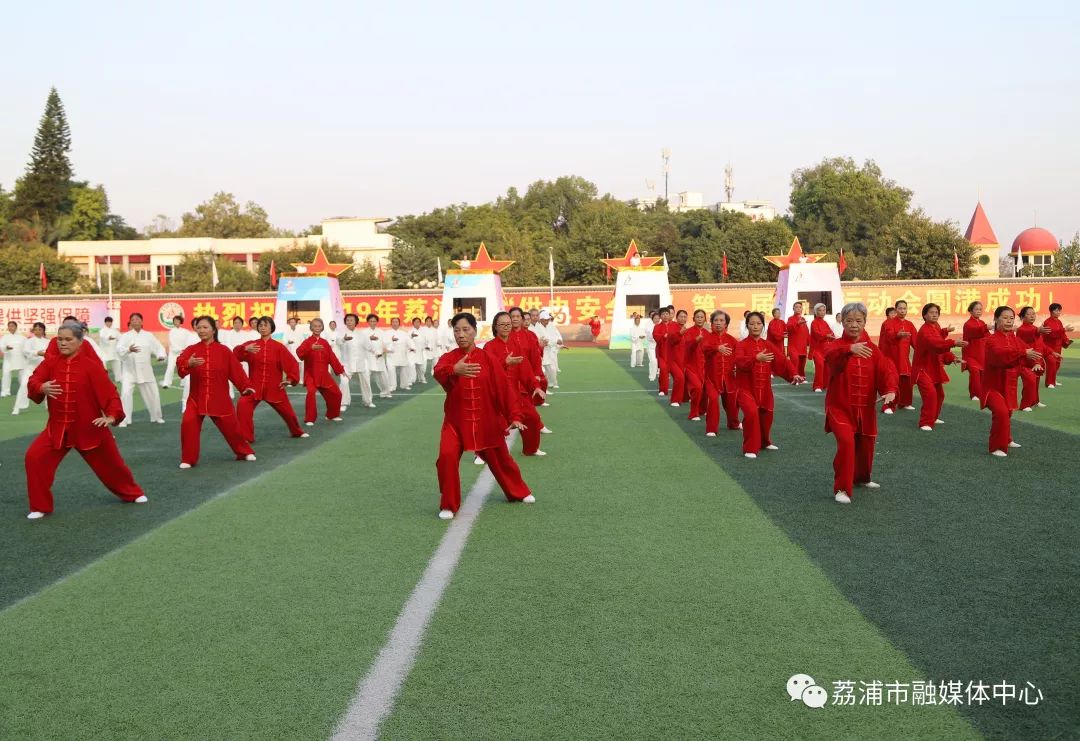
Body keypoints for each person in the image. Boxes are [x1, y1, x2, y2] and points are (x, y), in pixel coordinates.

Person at [23, 320, 147, 519]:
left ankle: (133, 493)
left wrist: (112, 415)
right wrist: (40, 387)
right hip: (57, 428)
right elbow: (34, 380)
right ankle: (40, 506)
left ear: (80, 342)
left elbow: (109, 393)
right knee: (34, 457)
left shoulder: (91, 367)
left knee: (113, 466)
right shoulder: (50, 363)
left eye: (68, 340)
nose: (63, 343)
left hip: (90, 427)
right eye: (60, 340)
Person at [433, 312, 535, 520]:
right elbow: (439, 371)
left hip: (486, 421)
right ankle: (449, 504)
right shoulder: (449, 358)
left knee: (501, 460)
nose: (461, 335)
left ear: (474, 331)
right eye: (456, 330)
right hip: (455, 423)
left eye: (465, 329)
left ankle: (519, 492)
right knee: (446, 457)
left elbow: (503, 389)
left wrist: (514, 415)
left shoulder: (488, 359)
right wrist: (455, 370)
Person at [822, 303, 898, 504]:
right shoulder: (836, 346)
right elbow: (830, 360)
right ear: (842, 322)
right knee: (847, 443)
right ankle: (842, 489)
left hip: (865, 408)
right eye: (849, 321)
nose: (854, 325)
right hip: (839, 407)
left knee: (866, 442)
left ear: (865, 322)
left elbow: (886, 372)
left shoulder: (873, 350)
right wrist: (849, 350)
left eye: (858, 321)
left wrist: (890, 390)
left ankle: (862, 478)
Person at [177, 316, 258, 468]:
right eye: (199, 327)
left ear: (213, 330)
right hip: (196, 398)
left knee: (231, 427)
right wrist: (189, 363)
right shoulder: (192, 350)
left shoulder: (223, 351)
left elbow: (236, 371)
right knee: (188, 424)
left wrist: (245, 386)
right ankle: (188, 459)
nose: (201, 330)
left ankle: (244, 451)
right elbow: (180, 368)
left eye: (205, 327)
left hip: (219, 398)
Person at [735, 312, 803, 458]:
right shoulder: (741, 345)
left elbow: (782, 361)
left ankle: (765, 442)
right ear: (747, 326)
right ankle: (750, 448)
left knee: (767, 415)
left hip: (764, 389)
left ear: (763, 326)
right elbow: (740, 362)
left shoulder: (768, 345)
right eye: (752, 323)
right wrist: (755, 358)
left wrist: (793, 374)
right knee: (752, 414)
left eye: (758, 323)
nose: (755, 326)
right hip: (746, 389)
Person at [982, 306, 1043, 457]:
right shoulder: (991, 340)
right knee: (1002, 412)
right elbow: (999, 356)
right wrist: (1023, 353)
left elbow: (1030, 353)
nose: (1009, 321)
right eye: (1005, 318)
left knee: (1007, 413)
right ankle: (997, 447)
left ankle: (1006, 439)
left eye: (1011, 318)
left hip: (1009, 384)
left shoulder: (1016, 340)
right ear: (996, 319)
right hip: (992, 386)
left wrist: (1036, 362)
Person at [235, 316, 307, 442]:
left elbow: (292, 364)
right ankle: (246, 437)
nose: (263, 328)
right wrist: (244, 349)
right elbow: (234, 356)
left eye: (266, 325)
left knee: (288, 413)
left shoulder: (278, 347)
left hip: (275, 387)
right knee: (242, 405)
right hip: (254, 387)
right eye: (260, 325)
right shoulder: (252, 345)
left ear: (271, 328)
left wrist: (290, 380)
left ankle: (297, 431)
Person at [485, 311, 546, 456]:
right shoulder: (489, 347)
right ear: (495, 327)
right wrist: (504, 363)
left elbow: (525, 369)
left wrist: (535, 386)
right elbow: (487, 372)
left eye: (508, 324)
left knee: (533, 418)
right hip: (497, 394)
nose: (506, 327)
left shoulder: (515, 345)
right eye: (502, 324)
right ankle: (480, 453)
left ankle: (531, 449)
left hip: (517, 393)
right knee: (492, 425)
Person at [912, 303, 966, 431]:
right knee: (930, 394)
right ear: (924, 315)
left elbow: (940, 345)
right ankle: (925, 422)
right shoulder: (925, 330)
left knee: (939, 394)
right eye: (931, 312)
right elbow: (936, 345)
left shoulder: (935, 327)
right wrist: (953, 342)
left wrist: (952, 357)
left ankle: (933, 417)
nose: (935, 314)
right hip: (922, 369)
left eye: (936, 312)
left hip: (933, 368)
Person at [116, 313, 166, 426]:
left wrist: (160, 356)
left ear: (142, 321)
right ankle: (124, 419)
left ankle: (156, 416)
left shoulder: (148, 335)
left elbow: (158, 348)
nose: (135, 321)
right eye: (132, 319)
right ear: (130, 322)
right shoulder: (126, 336)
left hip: (146, 371)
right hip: (130, 371)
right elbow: (119, 349)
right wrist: (128, 350)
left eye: (137, 319)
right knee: (125, 394)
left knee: (153, 394)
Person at [507, 307, 551, 431]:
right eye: (512, 317)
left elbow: (536, 357)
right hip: (509, 379)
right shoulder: (505, 335)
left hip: (526, 377)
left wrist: (536, 374)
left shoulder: (530, 335)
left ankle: (537, 427)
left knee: (528, 407)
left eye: (517, 317)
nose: (515, 319)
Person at [296, 318, 345, 425]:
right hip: (311, 374)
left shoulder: (325, 343)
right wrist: (310, 348)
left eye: (319, 326)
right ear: (311, 328)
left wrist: (340, 369)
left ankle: (332, 415)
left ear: (322, 328)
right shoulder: (307, 342)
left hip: (324, 374)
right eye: (315, 326)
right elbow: (299, 353)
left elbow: (332, 357)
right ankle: (310, 419)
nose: (317, 328)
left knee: (337, 394)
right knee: (311, 394)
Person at [702, 310, 740, 437]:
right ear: (712, 323)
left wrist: (737, 367)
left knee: (731, 402)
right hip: (712, 377)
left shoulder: (732, 340)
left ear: (726, 324)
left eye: (721, 320)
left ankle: (733, 423)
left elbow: (739, 356)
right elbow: (704, 348)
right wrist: (717, 348)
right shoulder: (707, 337)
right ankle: (711, 429)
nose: (718, 323)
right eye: (715, 320)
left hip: (729, 377)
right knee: (713, 400)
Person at [880, 300, 917, 413]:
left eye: (904, 308)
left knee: (906, 380)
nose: (902, 310)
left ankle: (905, 403)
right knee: (891, 381)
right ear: (895, 309)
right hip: (891, 357)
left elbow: (916, 342)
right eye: (900, 308)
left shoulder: (910, 324)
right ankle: (888, 406)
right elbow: (889, 335)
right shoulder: (888, 323)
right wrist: (897, 335)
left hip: (904, 359)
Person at [338, 313, 375, 410]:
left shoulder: (362, 334)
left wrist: (376, 351)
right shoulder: (341, 333)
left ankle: (368, 401)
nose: (349, 322)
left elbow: (369, 346)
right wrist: (344, 339)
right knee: (344, 382)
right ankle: (343, 403)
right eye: (347, 320)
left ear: (356, 322)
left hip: (361, 362)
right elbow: (338, 342)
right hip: (347, 363)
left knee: (366, 382)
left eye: (351, 320)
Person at [1015, 307, 1047, 412]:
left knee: (1036, 382)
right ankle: (1025, 405)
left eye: (1034, 313)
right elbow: (1028, 332)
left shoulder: (1034, 328)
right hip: (1024, 361)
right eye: (1029, 314)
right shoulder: (1021, 330)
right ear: (1022, 317)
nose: (1033, 316)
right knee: (1030, 382)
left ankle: (1036, 401)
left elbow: (1040, 345)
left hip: (1035, 361)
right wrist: (1038, 330)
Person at [13, 322, 49, 415]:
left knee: (48, 386)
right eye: (36, 329)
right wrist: (37, 353)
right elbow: (26, 352)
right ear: (33, 330)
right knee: (24, 385)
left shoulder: (47, 341)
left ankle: (48, 405)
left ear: (43, 331)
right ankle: (17, 407)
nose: (37, 331)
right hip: (31, 368)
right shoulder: (29, 341)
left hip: (45, 369)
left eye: (40, 329)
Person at [681, 309, 710, 421]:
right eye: (697, 317)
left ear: (705, 319)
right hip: (691, 366)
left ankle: (702, 410)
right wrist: (696, 341)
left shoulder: (707, 334)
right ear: (693, 319)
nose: (699, 319)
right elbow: (687, 348)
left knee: (705, 389)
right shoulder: (688, 332)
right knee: (697, 388)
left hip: (704, 366)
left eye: (702, 317)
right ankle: (693, 413)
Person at [961, 301, 990, 401]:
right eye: (976, 309)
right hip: (970, 354)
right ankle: (974, 394)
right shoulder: (968, 324)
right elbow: (975, 332)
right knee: (975, 372)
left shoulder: (982, 323)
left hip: (981, 353)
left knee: (982, 374)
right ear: (971, 311)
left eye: (980, 309)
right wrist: (985, 328)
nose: (979, 311)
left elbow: (988, 337)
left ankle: (981, 393)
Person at [1041, 303, 1073, 388]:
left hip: (1058, 347)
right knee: (1051, 363)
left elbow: (1062, 334)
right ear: (1051, 311)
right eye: (1056, 310)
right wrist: (1064, 329)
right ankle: (1049, 383)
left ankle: (1053, 380)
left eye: (1059, 310)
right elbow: (1051, 334)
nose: (1058, 312)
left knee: (1057, 364)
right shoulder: (1047, 322)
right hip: (1049, 347)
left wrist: (1066, 340)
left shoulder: (1059, 321)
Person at [362, 314, 393, 400]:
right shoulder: (364, 333)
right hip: (368, 357)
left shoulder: (381, 332)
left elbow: (387, 343)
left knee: (383, 376)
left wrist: (385, 350)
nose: (372, 323)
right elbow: (363, 344)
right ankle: (368, 397)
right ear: (368, 322)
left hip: (379, 357)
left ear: (377, 322)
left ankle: (386, 392)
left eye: (374, 321)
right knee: (366, 376)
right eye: (371, 321)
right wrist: (369, 339)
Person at [809, 303, 836, 392]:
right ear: (816, 312)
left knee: (827, 368)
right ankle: (817, 386)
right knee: (820, 367)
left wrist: (832, 337)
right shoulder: (814, 323)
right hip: (817, 350)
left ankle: (826, 385)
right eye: (819, 310)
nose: (822, 312)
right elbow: (817, 334)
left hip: (825, 349)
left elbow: (831, 333)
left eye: (823, 310)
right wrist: (826, 336)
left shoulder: (825, 323)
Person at [162, 314, 194, 388]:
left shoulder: (185, 332)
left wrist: (185, 349)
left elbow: (190, 339)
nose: (176, 322)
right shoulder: (171, 331)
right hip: (173, 353)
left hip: (182, 353)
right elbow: (171, 342)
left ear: (180, 322)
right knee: (170, 367)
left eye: (178, 321)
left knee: (184, 368)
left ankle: (183, 382)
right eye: (175, 321)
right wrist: (176, 349)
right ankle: (166, 383)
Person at [534, 309, 564, 389]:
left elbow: (555, 335)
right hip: (541, 351)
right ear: (541, 319)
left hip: (550, 351)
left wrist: (559, 341)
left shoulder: (550, 325)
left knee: (552, 369)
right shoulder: (537, 327)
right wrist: (555, 341)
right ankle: (544, 385)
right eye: (546, 320)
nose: (548, 321)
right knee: (542, 370)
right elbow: (544, 340)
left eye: (548, 319)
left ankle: (553, 382)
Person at [386, 317, 415, 390]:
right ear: (391, 323)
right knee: (391, 371)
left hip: (402, 354)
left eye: (396, 322)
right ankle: (392, 386)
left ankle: (404, 385)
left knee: (404, 370)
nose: (395, 323)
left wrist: (412, 347)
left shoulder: (404, 333)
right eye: (393, 322)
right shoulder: (387, 333)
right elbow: (385, 344)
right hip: (391, 356)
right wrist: (391, 340)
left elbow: (409, 341)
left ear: (399, 323)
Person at [667, 309, 689, 406]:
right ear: (677, 317)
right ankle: (674, 400)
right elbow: (672, 340)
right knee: (679, 378)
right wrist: (680, 333)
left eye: (685, 317)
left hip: (682, 360)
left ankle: (685, 397)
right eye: (681, 316)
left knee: (685, 378)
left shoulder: (685, 329)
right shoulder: (672, 326)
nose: (683, 318)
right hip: (672, 359)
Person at [784, 302, 810, 381]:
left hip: (802, 345)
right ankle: (794, 377)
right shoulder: (790, 319)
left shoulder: (803, 319)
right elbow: (788, 328)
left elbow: (806, 331)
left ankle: (802, 376)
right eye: (796, 307)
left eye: (800, 307)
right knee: (795, 361)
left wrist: (808, 342)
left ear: (802, 309)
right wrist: (797, 323)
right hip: (794, 345)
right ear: (793, 309)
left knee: (802, 361)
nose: (798, 309)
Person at [652, 307, 674, 397]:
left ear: (670, 315)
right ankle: (662, 390)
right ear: (660, 316)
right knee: (663, 371)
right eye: (663, 314)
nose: (665, 316)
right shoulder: (657, 326)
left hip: (673, 353)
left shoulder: (675, 325)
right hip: (662, 353)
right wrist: (663, 337)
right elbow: (655, 336)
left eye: (667, 314)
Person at [2, 321, 26, 397]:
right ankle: (5, 392)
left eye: (12, 326)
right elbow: (1, 346)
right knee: (6, 374)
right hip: (9, 358)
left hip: (20, 358)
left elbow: (26, 347)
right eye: (9, 326)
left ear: (16, 327)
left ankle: (24, 391)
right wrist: (6, 347)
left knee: (22, 375)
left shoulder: (22, 337)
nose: (11, 328)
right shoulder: (4, 337)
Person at [409, 317, 429, 384]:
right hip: (412, 352)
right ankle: (411, 380)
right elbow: (408, 339)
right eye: (415, 322)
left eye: (418, 322)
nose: (417, 323)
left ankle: (422, 378)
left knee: (421, 367)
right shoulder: (410, 331)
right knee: (412, 366)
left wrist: (426, 346)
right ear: (413, 323)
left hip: (420, 351)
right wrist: (411, 336)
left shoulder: (423, 331)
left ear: (420, 323)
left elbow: (426, 340)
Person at [421, 316, 440, 380]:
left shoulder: (434, 330)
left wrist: (438, 344)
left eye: (430, 321)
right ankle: (422, 376)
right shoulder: (422, 329)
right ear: (425, 322)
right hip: (425, 349)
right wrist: (426, 346)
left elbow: (437, 339)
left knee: (435, 362)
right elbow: (421, 339)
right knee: (423, 364)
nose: (429, 322)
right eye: (427, 321)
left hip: (434, 349)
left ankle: (433, 372)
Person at [646, 311, 660, 382]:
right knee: (653, 361)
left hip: (659, 347)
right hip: (651, 347)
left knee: (659, 362)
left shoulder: (660, 325)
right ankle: (652, 376)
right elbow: (650, 338)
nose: (657, 320)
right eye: (655, 318)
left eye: (658, 318)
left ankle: (659, 374)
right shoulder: (649, 326)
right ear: (652, 319)